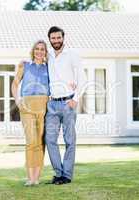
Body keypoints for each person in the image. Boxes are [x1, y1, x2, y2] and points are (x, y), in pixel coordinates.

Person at [45, 26, 85, 185]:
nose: (56, 41)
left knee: (69, 140)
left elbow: (82, 77)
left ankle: (66, 175)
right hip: (52, 105)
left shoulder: (72, 55)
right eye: (53, 38)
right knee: (50, 140)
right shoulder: (48, 57)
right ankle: (58, 173)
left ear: (63, 38)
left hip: (68, 102)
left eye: (58, 38)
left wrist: (76, 98)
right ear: (49, 39)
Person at [11, 40, 50, 186]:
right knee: (30, 141)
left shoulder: (49, 68)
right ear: (33, 51)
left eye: (42, 49)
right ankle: (29, 178)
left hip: (44, 105)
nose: (39, 51)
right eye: (37, 49)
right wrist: (17, 100)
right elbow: (15, 84)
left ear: (46, 53)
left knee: (40, 142)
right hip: (27, 105)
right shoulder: (25, 66)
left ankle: (36, 178)